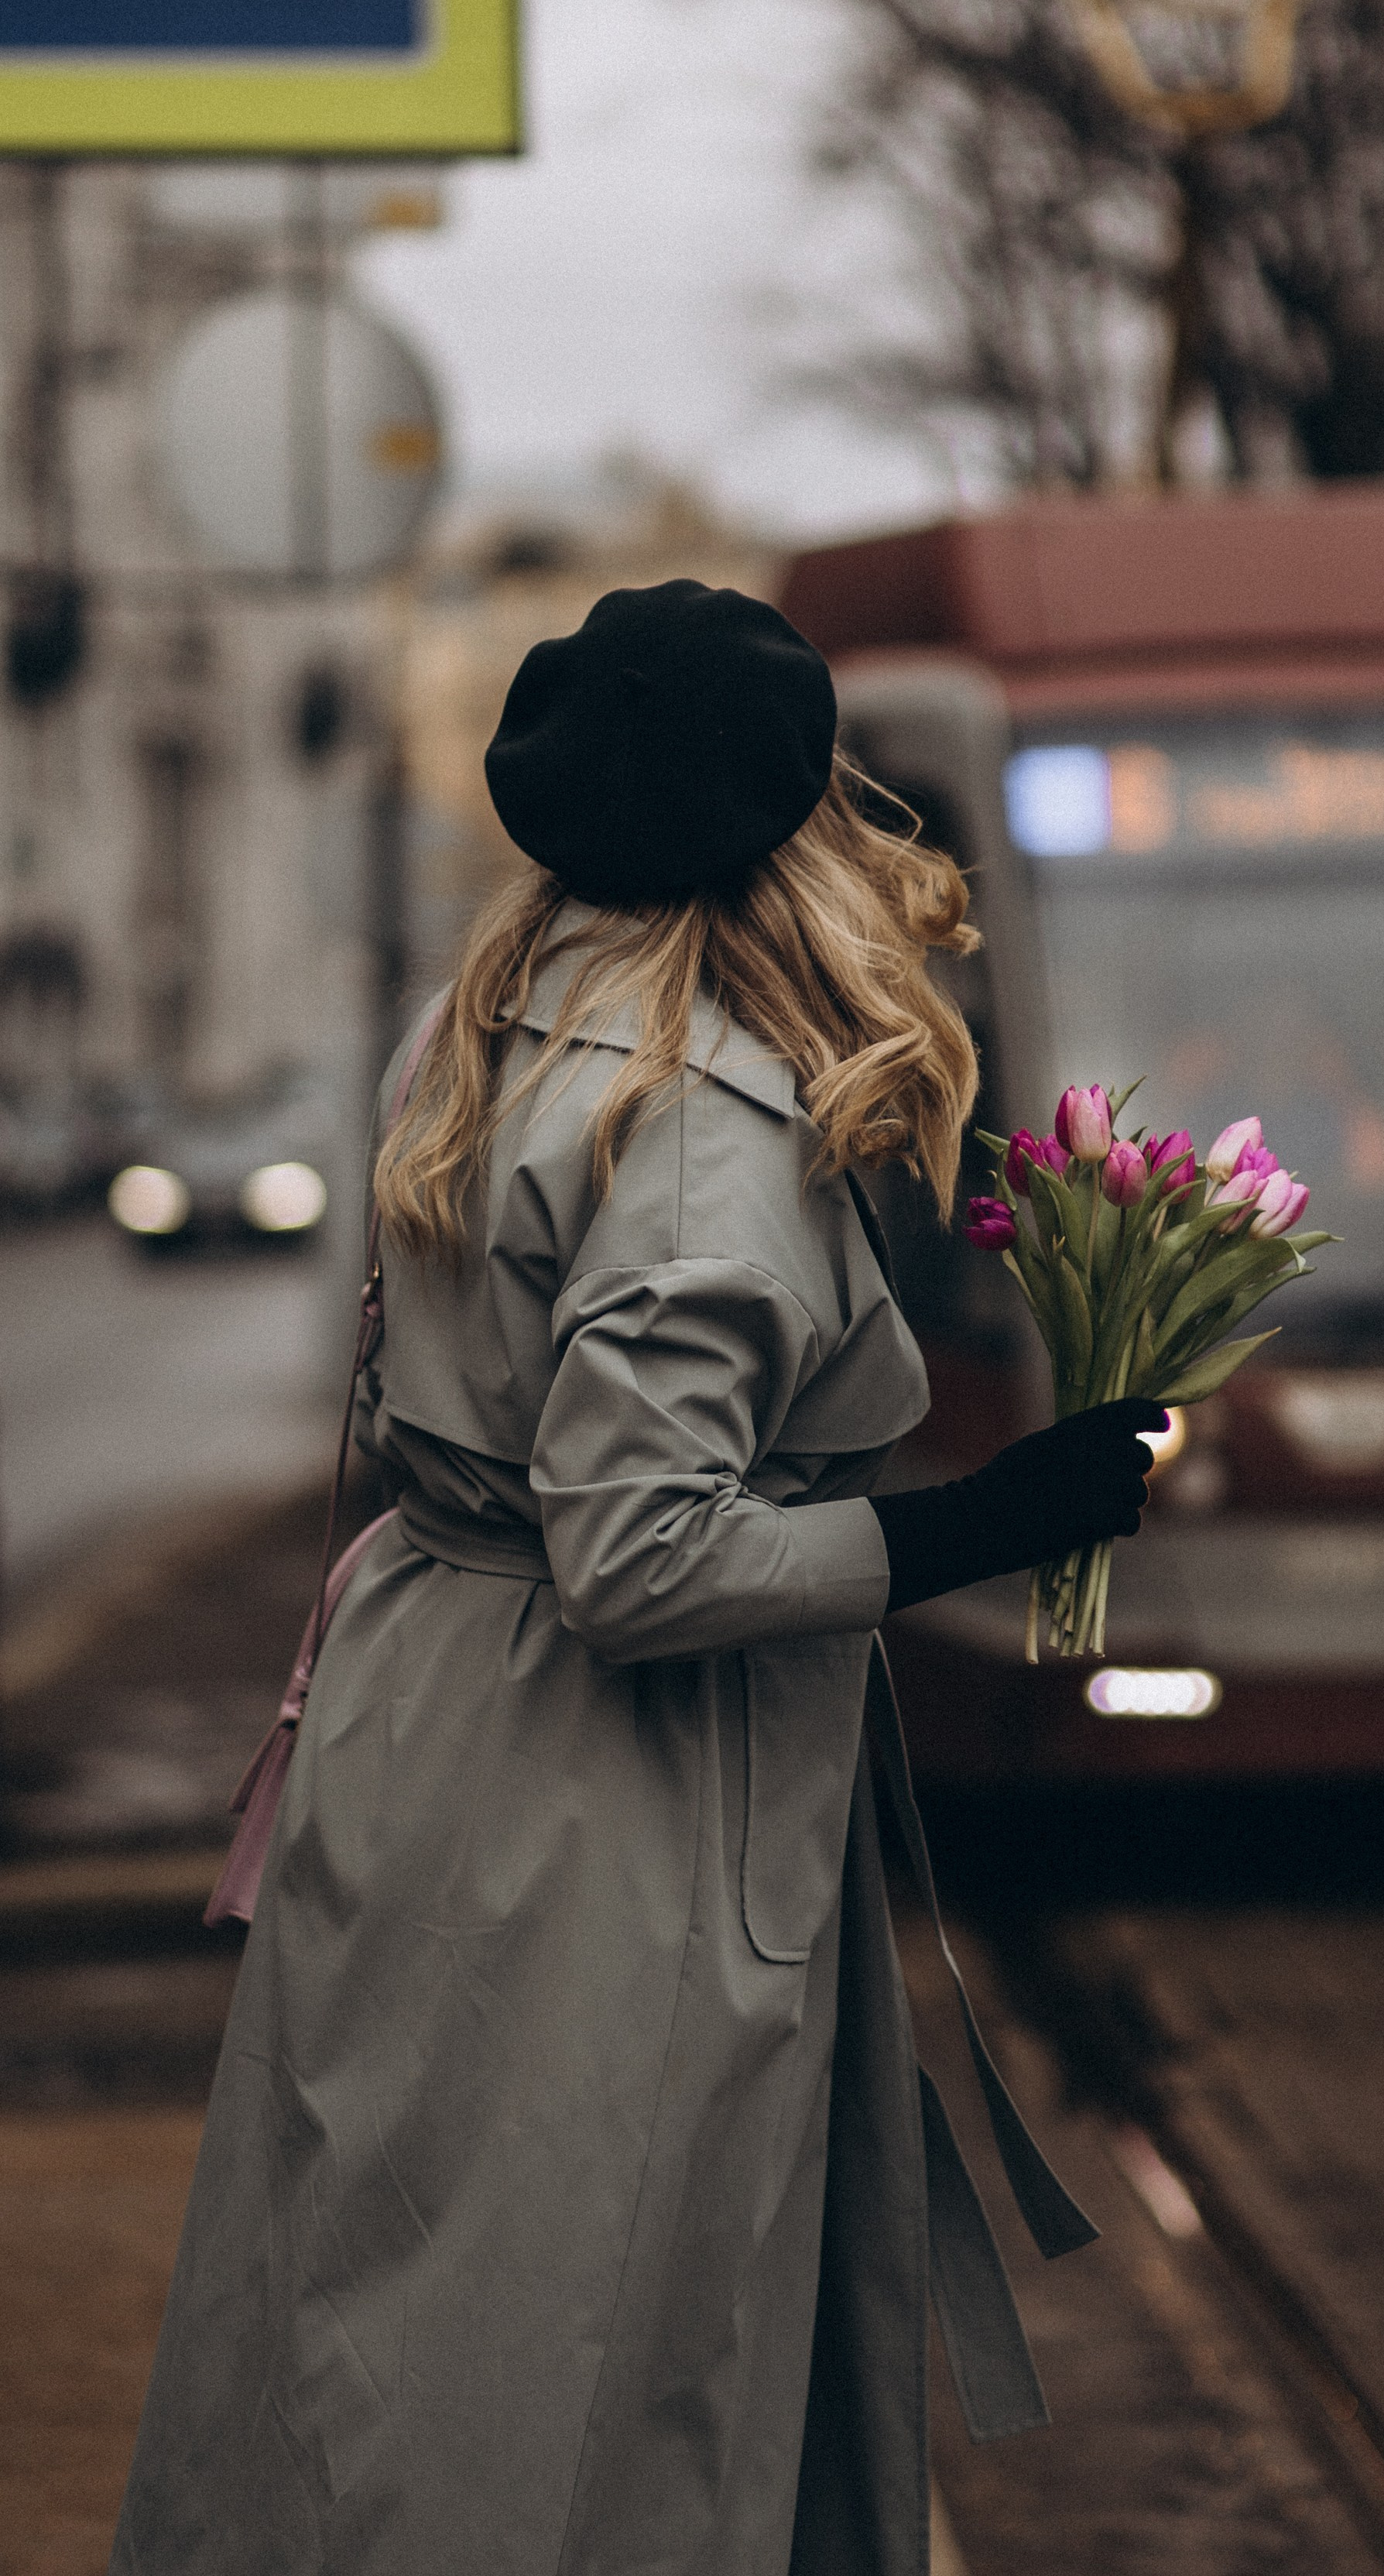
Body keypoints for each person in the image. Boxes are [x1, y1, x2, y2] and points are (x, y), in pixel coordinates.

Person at [112, 580, 1159, 2576]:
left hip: (437, 1739)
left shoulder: (489, 1016)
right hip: (602, 1820)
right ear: (789, 831)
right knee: (590, 2372)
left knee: (373, 2332)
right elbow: (641, 1555)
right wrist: (982, 1524)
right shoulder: (705, 1124)